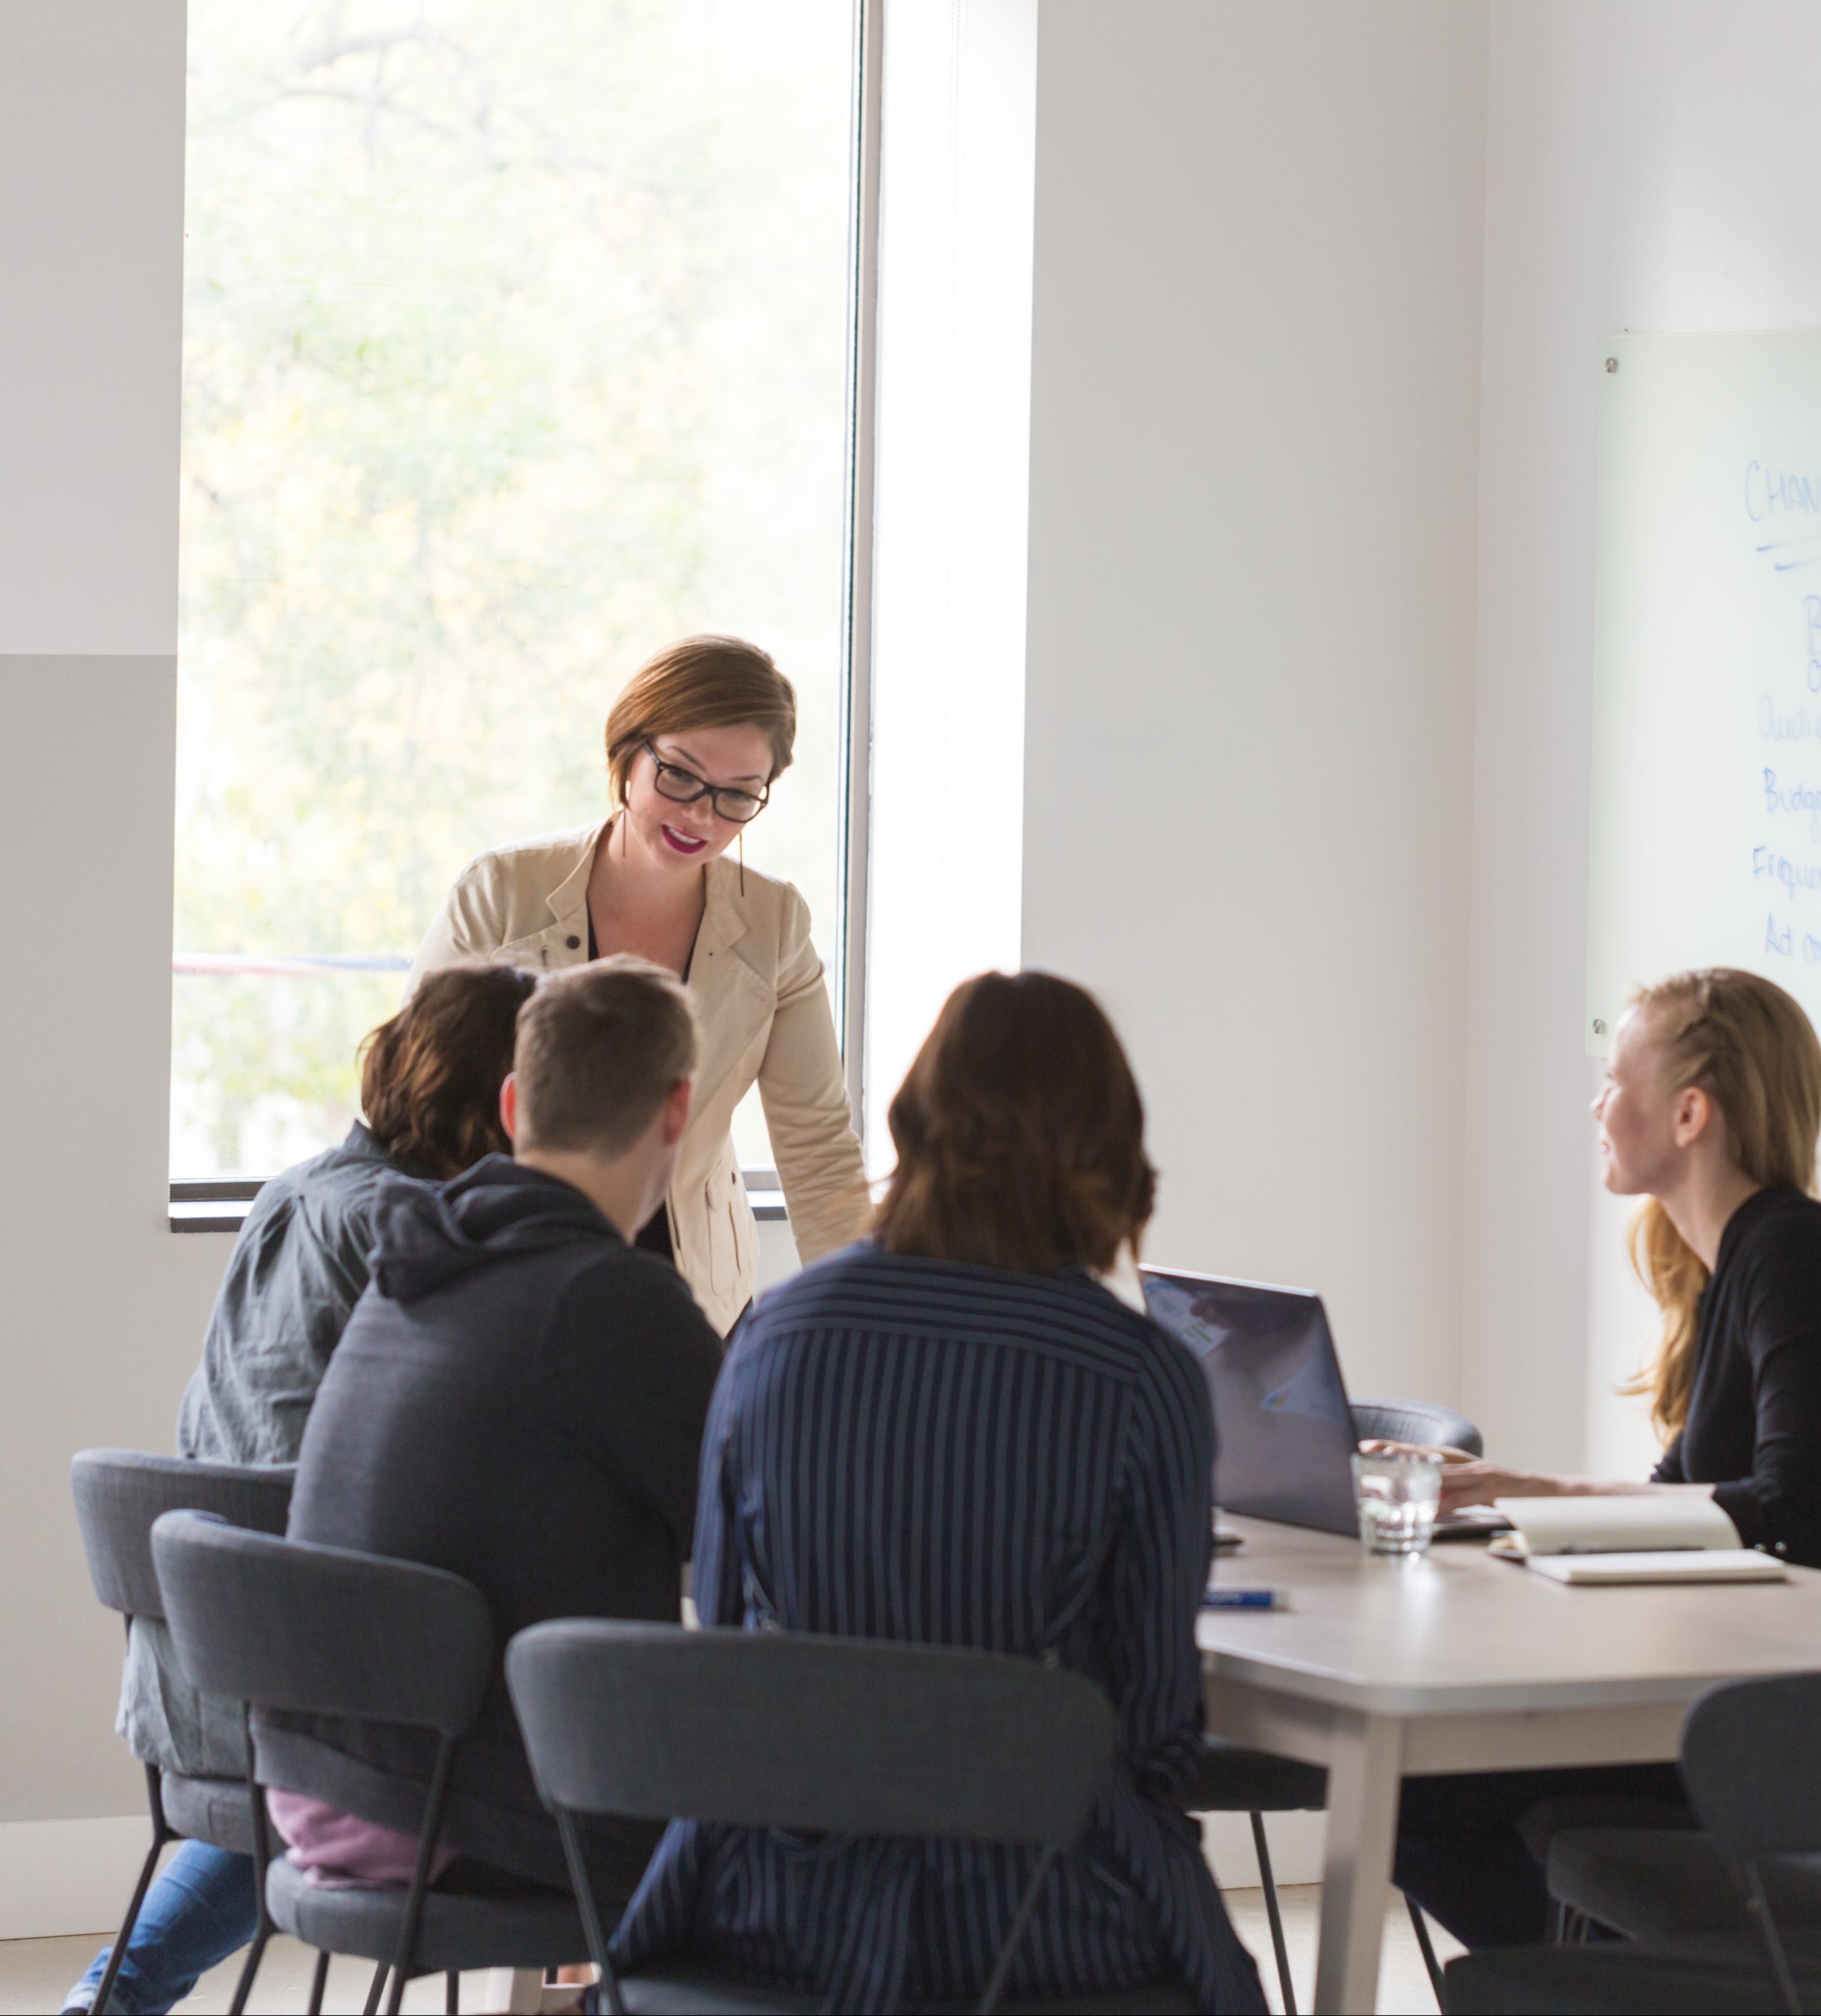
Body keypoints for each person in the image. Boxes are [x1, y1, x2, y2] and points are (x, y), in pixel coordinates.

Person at [607, 972, 1267, 2015]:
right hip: (1040, 1912)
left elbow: (728, 1647)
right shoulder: (1140, 1376)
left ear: (911, 1120)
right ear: (1107, 1143)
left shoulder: (773, 1334)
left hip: (771, 1900)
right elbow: (1150, 1728)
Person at [67, 962, 537, 2016]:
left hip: (198, 1676)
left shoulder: (294, 1190)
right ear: (509, 1098)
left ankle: (110, 1993)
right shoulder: (419, 1229)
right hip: (320, 1692)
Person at [1391, 967, 1821, 1950]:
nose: (1596, 1104)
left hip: (1781, 1724)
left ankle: (1616, 1982)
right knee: (1415, 1790)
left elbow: (1791, 1506)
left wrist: (1523, 1489)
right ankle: (1615, 1977)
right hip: (1725, 1689)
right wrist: (1492, 1513)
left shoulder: (1795, 1251)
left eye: (1613, 1077)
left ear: (1689, 1111)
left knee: (1412, 1790)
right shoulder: (1732, 1265)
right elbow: (1677, 1500)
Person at [261, 958, 723, 1899]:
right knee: (819, 1800)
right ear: (676, 1114)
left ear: (514, 1104)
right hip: (459, 1810)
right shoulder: (613, 1297)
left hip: (324, 1780)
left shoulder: (414, 1260)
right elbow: (757, 1534)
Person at [411, 634, 869, 1333]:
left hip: (692, 1304)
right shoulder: (500, 893)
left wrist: (865, 1325)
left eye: (737, 796)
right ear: (628, 752)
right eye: (680, 776)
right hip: (509, 1288)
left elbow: (816, 1146)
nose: (700, 816)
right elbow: (417, 1109)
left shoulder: (774, 922)